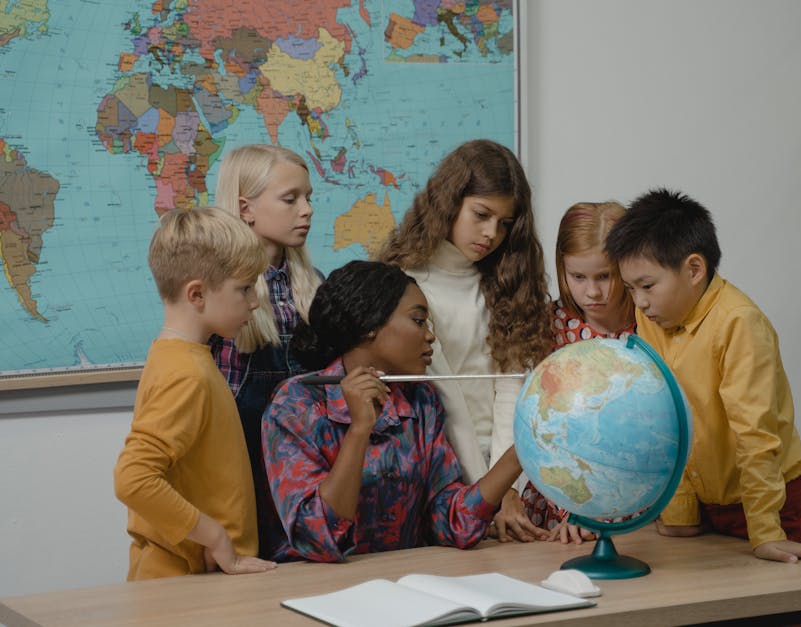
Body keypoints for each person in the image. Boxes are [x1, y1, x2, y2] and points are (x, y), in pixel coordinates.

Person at [605, 188, 801, 564]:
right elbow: (667, 418)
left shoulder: (739, 323)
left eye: (647, 286)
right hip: (710, 511)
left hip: (776, 510)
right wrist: (679, 512)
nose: (639, 302)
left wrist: (765, 532)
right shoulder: (651, 318)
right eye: (631, 289)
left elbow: (755, 434)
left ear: (694, 269)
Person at [261, 261, 526, 562]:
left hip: (402, 585)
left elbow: (453, 524)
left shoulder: (420, 400)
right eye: (418, 321)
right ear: (371, 324)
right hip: (309, 591)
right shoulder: (296, 404)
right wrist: (360, 430)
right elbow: (319, 538)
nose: (430, 337)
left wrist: (521, 453)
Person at [377, 139, 552, 542]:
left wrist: (510, 486)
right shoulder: (407, 284)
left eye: (505, 223)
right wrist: (486, 493)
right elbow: (447, 401)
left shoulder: (507, 280)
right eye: (482, 214)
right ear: (449, 201)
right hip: (444, 475)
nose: (492, 233)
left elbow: (512, 389)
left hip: (510, 477)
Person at [113, 207, 277, 580]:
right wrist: (214, 536)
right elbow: (133, 478)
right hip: (181, 585)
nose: (254, 302)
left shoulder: (179, 357)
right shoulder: (185, 373)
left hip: (195, 580)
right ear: (197, 294)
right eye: (244, 288)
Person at [211, 144, 323, 558]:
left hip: (305, 473)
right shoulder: (222, 296)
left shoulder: (314, 285)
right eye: (291, 199)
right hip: (245, 477)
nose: (306, 209)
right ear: (246, 209)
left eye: (309, 197)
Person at [522, 201, 638, 543]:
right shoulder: (549, 326)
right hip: (561, 496)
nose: (592, 292)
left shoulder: (651, 325)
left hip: (638, 494)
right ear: (562, 268)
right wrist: (571, 509)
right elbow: (540, 427)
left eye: (605, 276)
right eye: (578, 277)